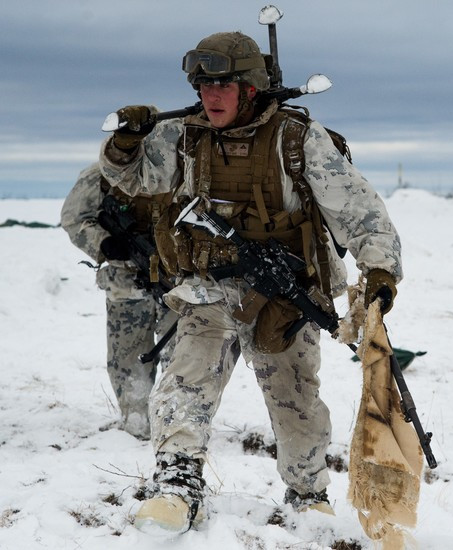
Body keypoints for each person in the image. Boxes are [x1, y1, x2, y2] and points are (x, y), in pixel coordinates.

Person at [98, 31, 402, 533]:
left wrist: (380, 271)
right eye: (203, 86)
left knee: (295, 397)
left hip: (285, 293)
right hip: (208, 285)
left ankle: (307, 495)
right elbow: (133, 180)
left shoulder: (297, 139)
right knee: (188, 374)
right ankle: (176, 484)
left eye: (222, 86)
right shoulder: (184, 136)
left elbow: (361, 214)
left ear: (250, 89)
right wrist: (125, 143)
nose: (210, 96)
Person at [61, 162, 177, 440]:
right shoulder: (103, 172)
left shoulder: (184, 165)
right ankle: (136, 426)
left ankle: (177, 428)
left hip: (177, 281)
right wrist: (103, 243)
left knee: (182, 359)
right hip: (126, 282)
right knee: (128, 359)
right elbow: (74, 218)